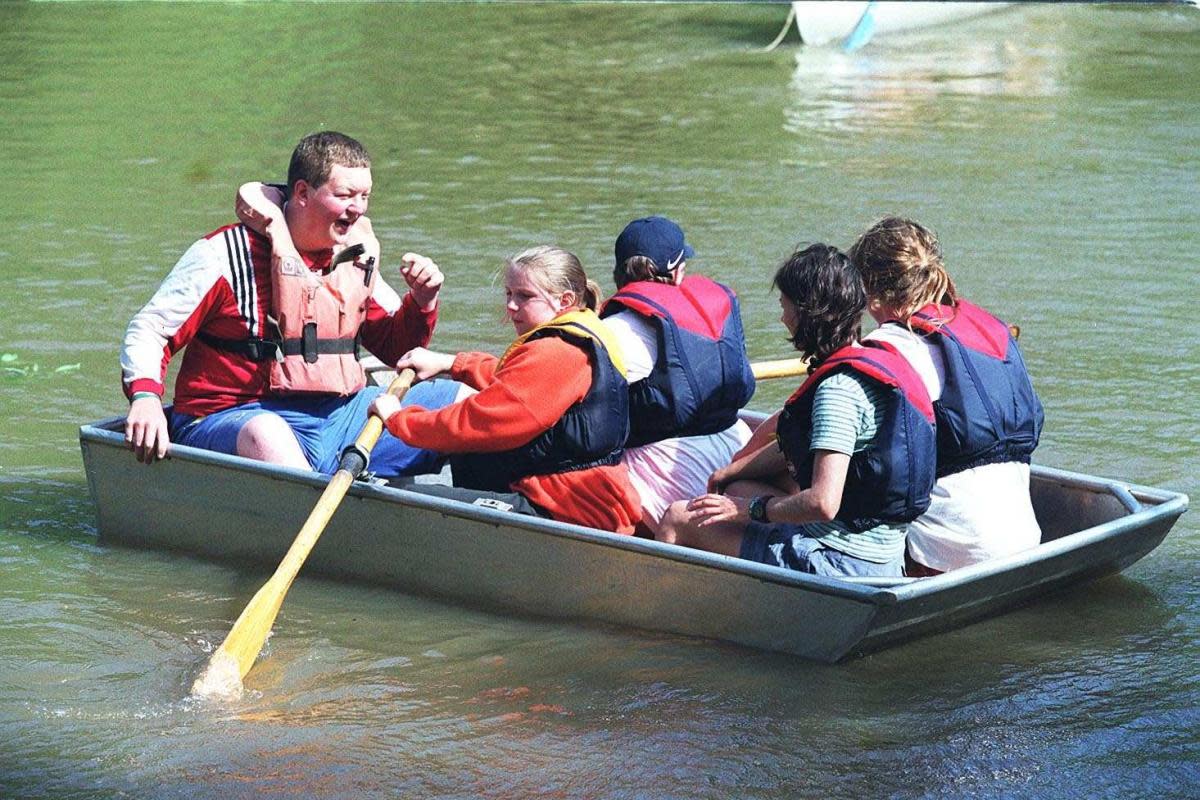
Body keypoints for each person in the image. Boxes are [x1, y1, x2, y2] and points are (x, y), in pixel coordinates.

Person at [120, 131, 462, 477]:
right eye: (345, 195)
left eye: (365, 196)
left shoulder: (352, 256)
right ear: (302, 192)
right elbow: (150, 330)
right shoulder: (223, 254)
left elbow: (398, 349)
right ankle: (312, 508)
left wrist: (422, 300)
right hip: (235, 417)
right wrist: (146, 398)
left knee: (465, 400)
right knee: (267, 434)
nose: (357, 209)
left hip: (341, 415)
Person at [656, 244, 937, 579]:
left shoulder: (837, 390)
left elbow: (822, 502)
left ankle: (665, 626)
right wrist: (729, 474)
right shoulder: (873, 363)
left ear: (806, 312)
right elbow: (814, 443)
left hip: (839, 562)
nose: (782, 317)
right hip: (883, 556)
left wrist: (750, 510)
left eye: (784, 305)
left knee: (677, 517)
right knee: (735, 489)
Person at [368, 245, 644, 534]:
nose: (511, 306)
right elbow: (517, 383)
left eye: (524, 296)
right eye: (509, 294)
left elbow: (480, 420)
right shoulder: (584, 330)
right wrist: (452, 363)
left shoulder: (558, 352)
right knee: (472, 458)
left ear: (564, 300)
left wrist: (399, 420)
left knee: (407, 502)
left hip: (569, 510)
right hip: (574, 497)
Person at [849, 216, 1043, 575]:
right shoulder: (990, 332)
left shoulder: (887, 347)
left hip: (944, 561)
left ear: (869, 292)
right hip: (1025, 543)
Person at [598, 216, 755, 535]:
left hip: (666, 467)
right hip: (734, 446)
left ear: (619, 275)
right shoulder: (709, 310)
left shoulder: (617, 330)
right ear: (677, 270)